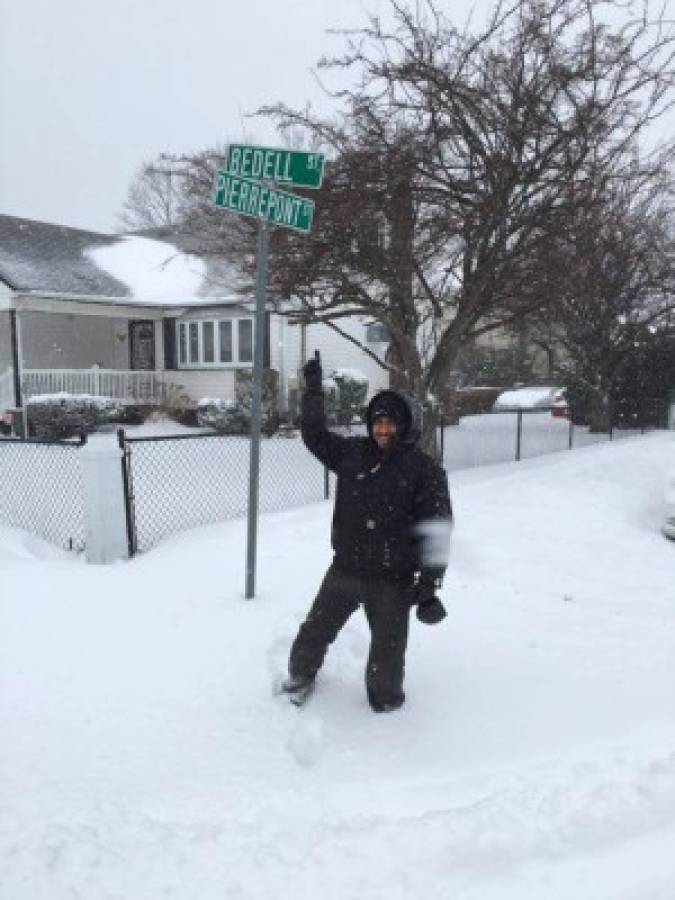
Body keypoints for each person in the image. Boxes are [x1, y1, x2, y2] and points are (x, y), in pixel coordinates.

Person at [282, 352, 453, 712]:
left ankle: (386, 703)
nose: (383, 430)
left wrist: (430, 581)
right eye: (378, 423)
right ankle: (300, 675)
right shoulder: (352, 454)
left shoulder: (425, 472)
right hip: (345, 568)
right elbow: (313, 435)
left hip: (392, 579)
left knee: (387, 657)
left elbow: (437, 529)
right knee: (315, 631)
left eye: (391, 423)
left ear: (405, 425)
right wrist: (313, 390)